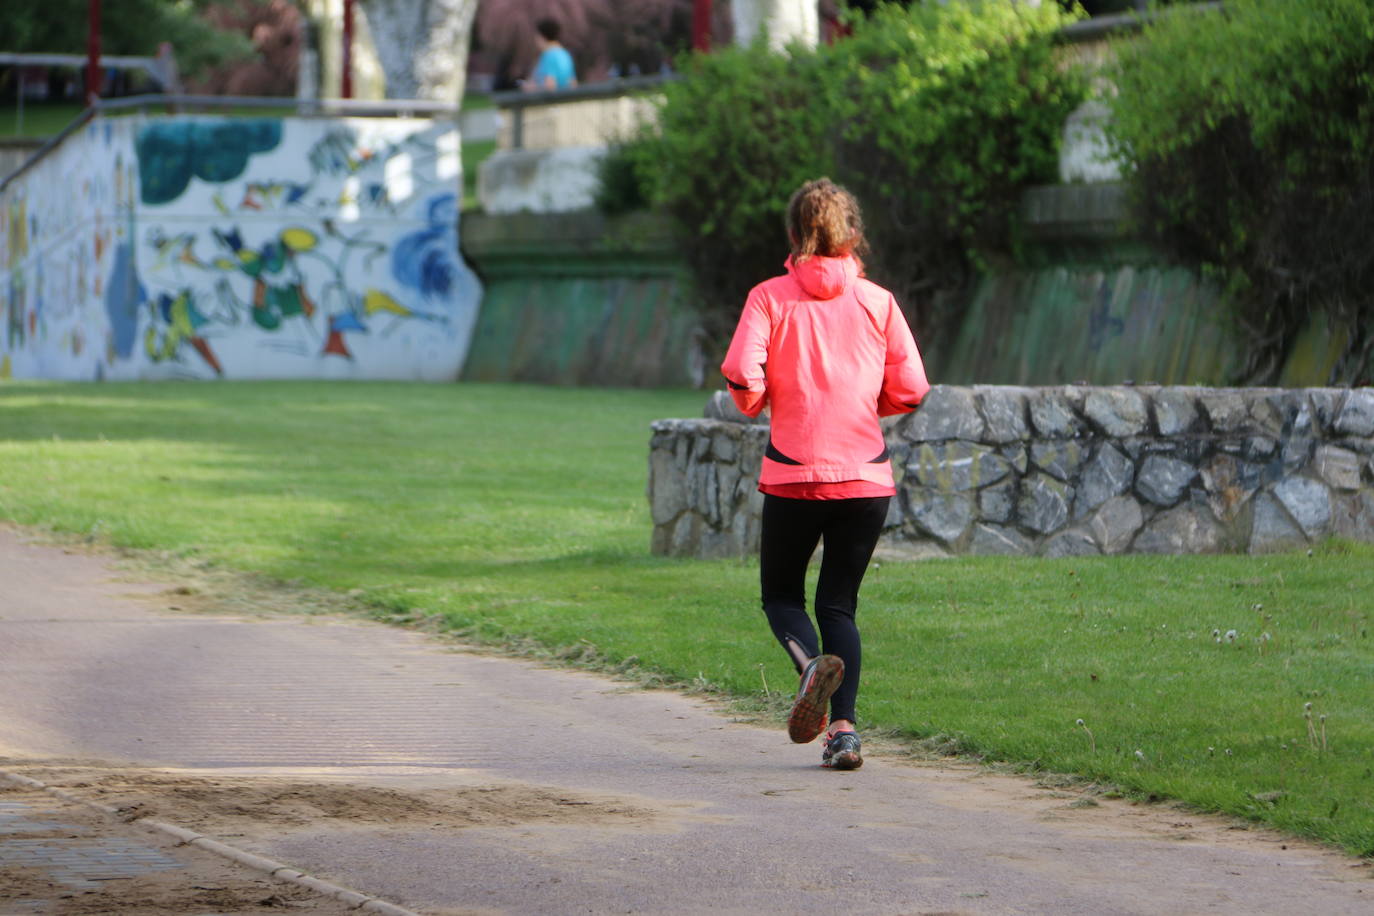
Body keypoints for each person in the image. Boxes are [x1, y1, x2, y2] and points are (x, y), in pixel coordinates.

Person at [720, 178, 930, 771]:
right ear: (854, 234)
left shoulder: (769, 297)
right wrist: (870, 408)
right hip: (867, 479)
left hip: (794, 474)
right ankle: (844, 734)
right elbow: (912, 388)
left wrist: (757, 400)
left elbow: (742, 371)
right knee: (838, 605)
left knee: (782, 595)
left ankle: (811, 666)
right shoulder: (878, 301)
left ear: (792, 235)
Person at [524, 18, 577, 91]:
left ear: (543, 37)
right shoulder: (565, 54)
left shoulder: (549, 56)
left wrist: (531, 87)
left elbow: (550, 85)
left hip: (552, 100)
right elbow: (572, 83)